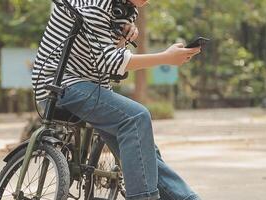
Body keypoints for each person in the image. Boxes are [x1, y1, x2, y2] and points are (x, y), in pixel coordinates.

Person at [32, 0, 202, 199]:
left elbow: (108, 49)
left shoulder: (124, 9)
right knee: (137, 117)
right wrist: (166, 57)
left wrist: (126, 33)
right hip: (59, 85)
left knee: (144, 153)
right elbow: (111, 63)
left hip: (92, 88)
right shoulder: (97, 6)